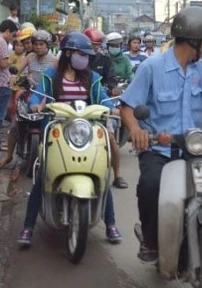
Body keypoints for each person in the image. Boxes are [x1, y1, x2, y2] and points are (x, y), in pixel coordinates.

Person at [119, 7, 202, 264]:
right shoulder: (152, 67)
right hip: (159, 149)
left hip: (192, 150)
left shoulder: (200, 69)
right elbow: (127, 106)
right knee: (150, 186)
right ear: (195, 40)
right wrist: (136, 130)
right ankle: (149, 239)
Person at [17, 32, 122, 246]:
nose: (85, 58)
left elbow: (102, 97)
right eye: (80, 54)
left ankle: (111, 223)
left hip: (88, 131)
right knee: (43, 172)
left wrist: (114, 109)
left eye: (86, 55)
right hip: (57, 130)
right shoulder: (51, 75)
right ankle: (28, 227)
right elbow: (39, 96)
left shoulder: (91, 77)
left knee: (101, 172)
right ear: (67, 53)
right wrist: (36, 105)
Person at [0, 30, 57, 169]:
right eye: (36, 44)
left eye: (41, 44)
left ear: (47, 45)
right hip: (29, 94)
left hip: (47, 97)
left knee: (54, 126)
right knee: (15, 124)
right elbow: (18, 70)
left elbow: (59, 78)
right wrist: (14, 78)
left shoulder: (55, 61)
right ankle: (8, 156)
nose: (38, 47)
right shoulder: (30, 57)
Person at [83, 28, 127, 189]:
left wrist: (112, 108)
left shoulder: (98, 70)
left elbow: (101, 91)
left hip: (96, 110)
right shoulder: (59, 70)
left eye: (97, 45)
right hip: (71, 114)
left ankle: (117, 175)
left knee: (111, 139)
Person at [0, 20, 18, 150]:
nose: (12, 39)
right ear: (6, 31)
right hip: (2, 84)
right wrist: (12, 60)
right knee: (0, 116)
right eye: (12, 35)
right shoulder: (1, 42)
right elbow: (3, 64)